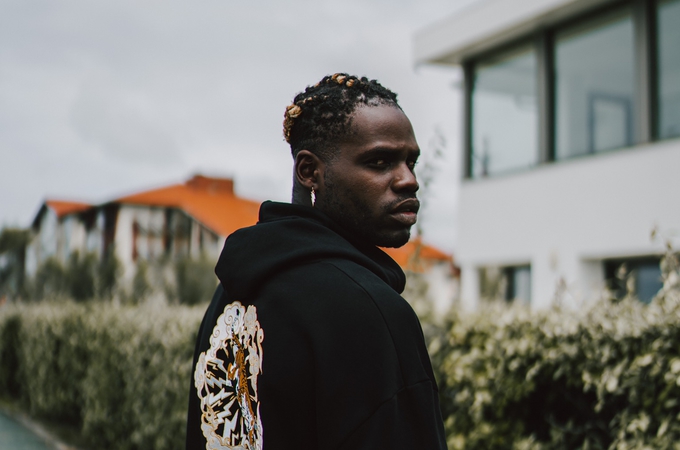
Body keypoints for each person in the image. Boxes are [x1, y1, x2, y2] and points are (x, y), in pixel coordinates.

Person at [186, 73, 447, 450]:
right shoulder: (371, 311)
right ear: (310, 172)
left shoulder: (235, 291)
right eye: (380, 161)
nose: (409, 180)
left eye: (411, 162)